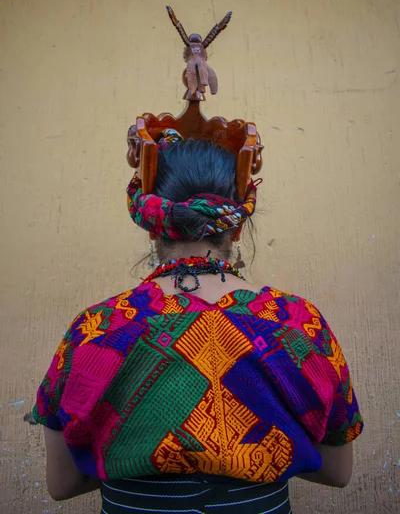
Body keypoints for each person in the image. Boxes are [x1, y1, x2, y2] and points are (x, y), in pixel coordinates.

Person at [33, 132, 363, 514]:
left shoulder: (98, 329)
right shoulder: (297, 324)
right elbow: (337, 471)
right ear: (237, 227)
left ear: (153, 225)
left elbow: (62, 484)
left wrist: (138, 449)